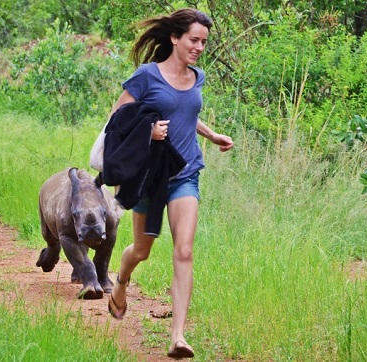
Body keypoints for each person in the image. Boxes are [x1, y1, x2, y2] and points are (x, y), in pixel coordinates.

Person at [106, 8, 234, 359]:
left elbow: (186, 113)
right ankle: (121, 279)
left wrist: (211, 134)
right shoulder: (147, 76)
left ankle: (178, 336)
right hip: (148, 176)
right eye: (194, 40)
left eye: (204, 42)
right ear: (175, 38)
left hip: (185, 173)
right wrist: (147, 131)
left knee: (185, 250)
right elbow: (118, 118)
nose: (199, 47)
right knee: (142, 250)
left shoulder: (198, 77)